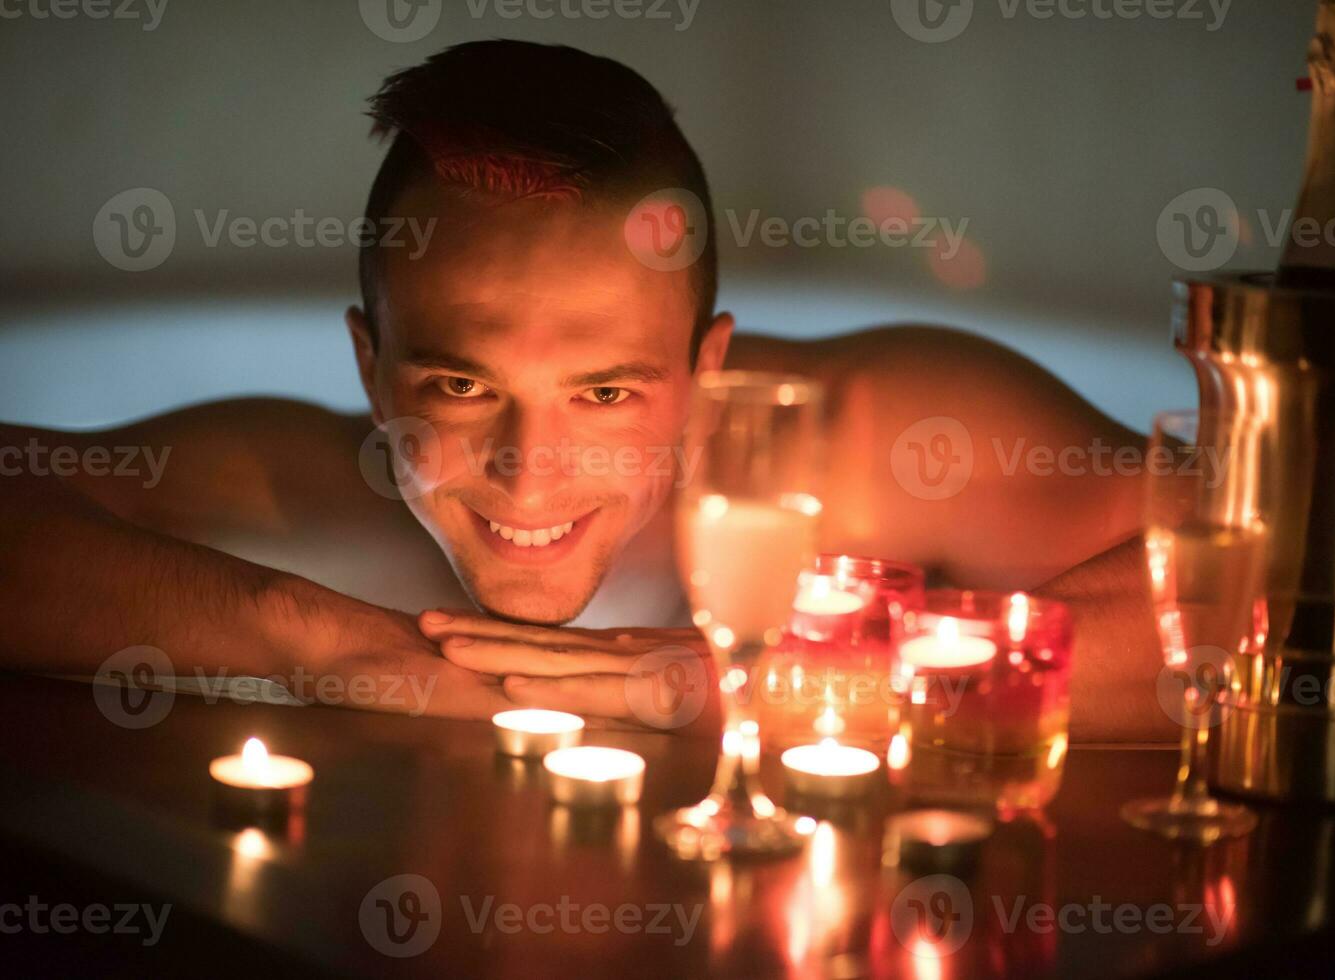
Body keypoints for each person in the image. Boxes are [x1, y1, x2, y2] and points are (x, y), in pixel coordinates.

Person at [0, 41, 1169, 741]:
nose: (530, 467)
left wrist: (784, 683)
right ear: (370, 368)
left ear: (709, 374)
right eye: (460, 384)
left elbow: (1259, 569)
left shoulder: (872, 435)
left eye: (605, 394)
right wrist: (313, 637)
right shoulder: (306, 483)